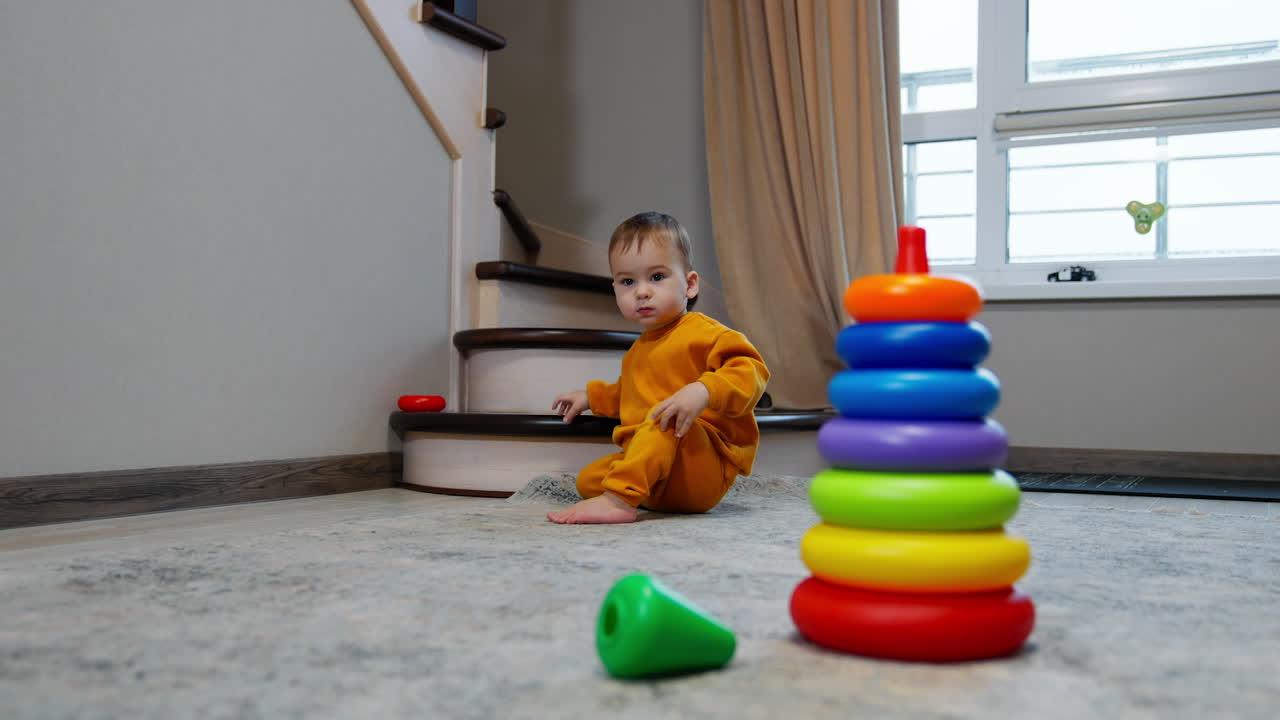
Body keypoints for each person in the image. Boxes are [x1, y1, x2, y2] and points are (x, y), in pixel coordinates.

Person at [548, 212, 770, 524]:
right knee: (588, 479)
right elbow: (629, 393)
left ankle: (619, 501)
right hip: (660, 468)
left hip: (700, 470)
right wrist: (591, 397)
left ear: (690, 285)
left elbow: (752, 371)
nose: (641, 291)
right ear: (615, 289)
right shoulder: (638, 351)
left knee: (662, 420)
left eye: (656, 277)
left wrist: (703, 390)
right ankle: (638, 489)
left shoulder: (705, 333)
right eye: (628, 281)